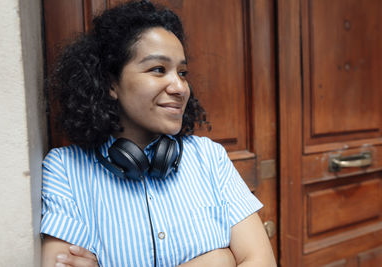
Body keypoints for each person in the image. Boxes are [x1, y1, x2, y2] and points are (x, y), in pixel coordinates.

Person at [41, 0, 276, 266]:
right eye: (158, 70)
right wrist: (217, 260)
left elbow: (261, 261)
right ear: (111, 83)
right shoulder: (64, 170)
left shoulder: (209, 157)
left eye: (182, 72)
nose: (179, 87)